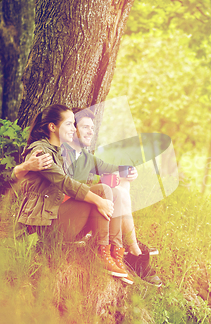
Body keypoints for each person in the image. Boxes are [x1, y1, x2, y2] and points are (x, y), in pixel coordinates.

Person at [11, 104, 132, 283]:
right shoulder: (41, 151)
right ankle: (102, 253)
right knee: (101, 194)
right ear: (53, 127)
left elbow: (99, 168)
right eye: (69, 124)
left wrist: (125, 170)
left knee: (106, 190)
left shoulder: (58, 151)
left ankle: (112, 252)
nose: (73, 129)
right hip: (39, 230)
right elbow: (65, 183)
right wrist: (99, 201)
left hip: (52, 220)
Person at [60, 107, 162, 287]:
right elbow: (63, 187)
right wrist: (96, 196)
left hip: (77, 221)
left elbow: (110, 167)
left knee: (121, 187)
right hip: (60, 220)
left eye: (92, 128)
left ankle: (121, 249)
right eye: (85, 127)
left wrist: (129, 172)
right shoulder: (60, 153)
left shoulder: (85, 157)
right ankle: (129, 251)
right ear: (72, 129)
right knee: (105, 190)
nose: (91, 131)